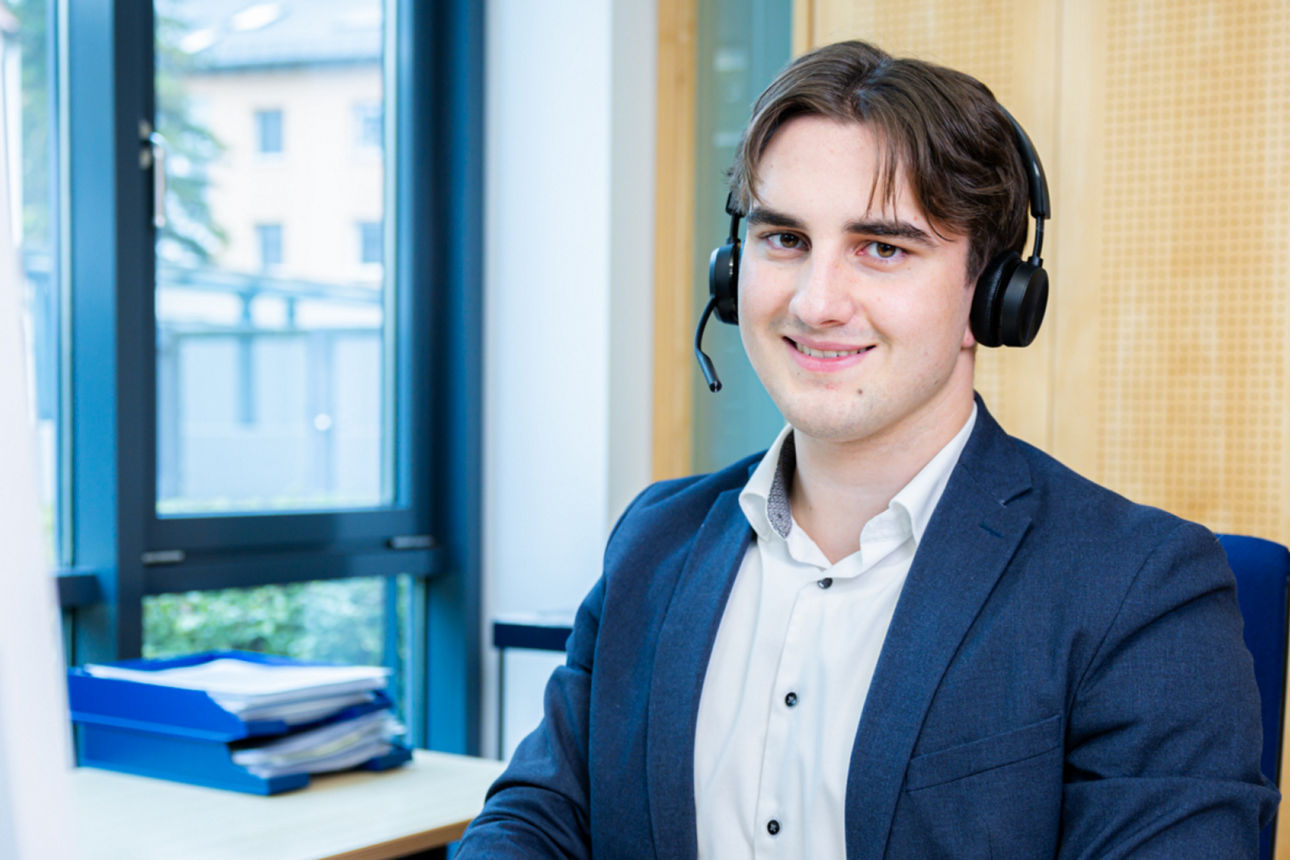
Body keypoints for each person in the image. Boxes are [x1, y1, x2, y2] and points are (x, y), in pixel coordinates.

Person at [457, 40, 1278, 857]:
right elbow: (540, 816)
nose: (816, 303)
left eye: (882, 248)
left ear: (992, 296)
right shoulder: (655, 541)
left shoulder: (1139, 587)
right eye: (785, 239)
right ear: (732, 271)